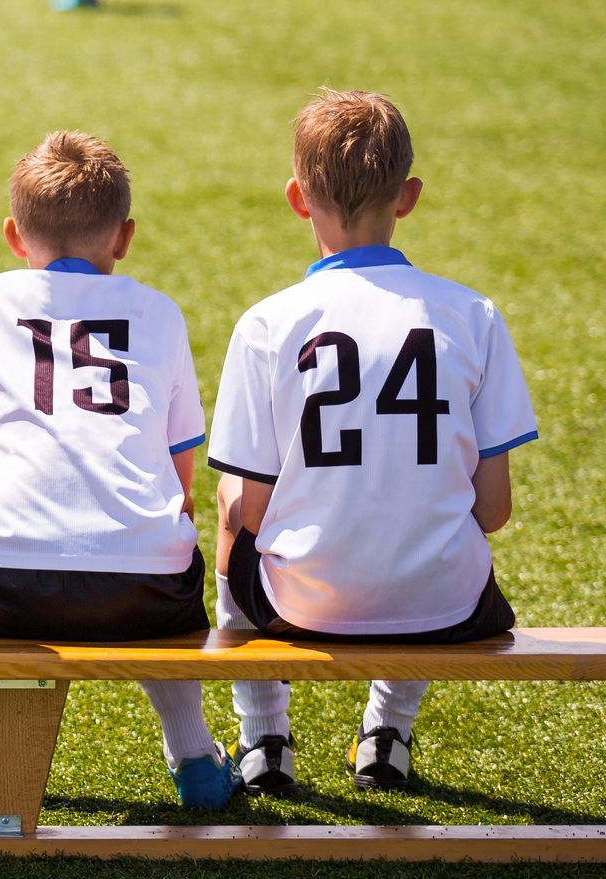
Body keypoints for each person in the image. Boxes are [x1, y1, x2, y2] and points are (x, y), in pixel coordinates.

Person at [209, 91, 536, 796]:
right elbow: (495, 509)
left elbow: (252, 511)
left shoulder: (267, 323)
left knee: (228, 497)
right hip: (447, 605)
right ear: (409, 196)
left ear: (298, 198)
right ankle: (386, 734)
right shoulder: (472, 313)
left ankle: (263, 737)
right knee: (429, 509)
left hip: (302, 601)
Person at [0, 132, 236, 810]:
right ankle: (194, 754)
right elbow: (180, 469)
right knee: (164, 566)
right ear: (125, 236)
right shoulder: (159, 311)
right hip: (144, 588)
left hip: (6, 580)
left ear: (14, 236)